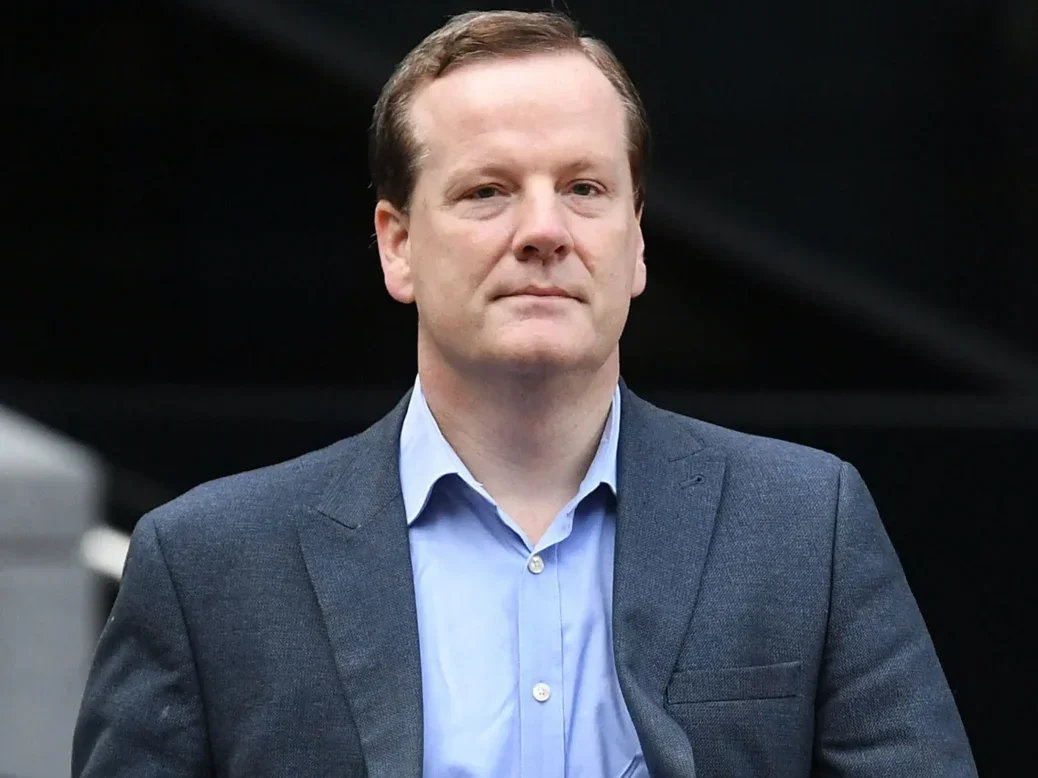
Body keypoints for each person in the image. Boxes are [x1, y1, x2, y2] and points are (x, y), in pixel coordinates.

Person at [72, 10, 977, 778]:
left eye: (584, 188)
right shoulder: (208, 568)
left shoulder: (802, 526)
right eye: (487, 191)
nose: (544, 230)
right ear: (397, 246)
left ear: (637, 241)